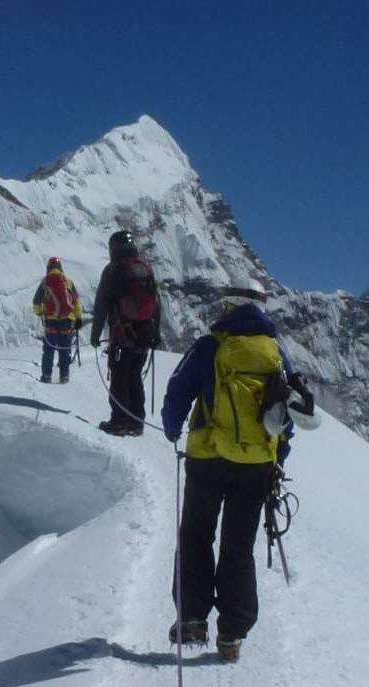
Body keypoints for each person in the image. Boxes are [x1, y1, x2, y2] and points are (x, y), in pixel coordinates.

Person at [159, 278, 295, 662]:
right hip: (255, 466)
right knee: (238, 546)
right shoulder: (276, 354)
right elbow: (289, 410)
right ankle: (232, 634)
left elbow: (177, 390)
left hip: (206, 458)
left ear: (229, 306)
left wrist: (172, 429)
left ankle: (192, 619)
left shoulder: (209, 347)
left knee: (196, 535)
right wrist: (276, 458)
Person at [89, 230, 162, 435]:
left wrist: (95, 334)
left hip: (122, 334)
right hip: (144, 335)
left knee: (119, 376)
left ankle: (119, 421)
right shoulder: (145, 269)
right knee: (135, 376)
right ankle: (136, 422)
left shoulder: (113, 270)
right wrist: (155, 332)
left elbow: (101, 305)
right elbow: (157, 303)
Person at [31, 257, 83, 383]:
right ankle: (64, 376)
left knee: (49, 349)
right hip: (66, 321)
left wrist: (39, 312)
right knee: (64, 349)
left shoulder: (45, 282)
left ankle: (46, 376)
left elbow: (36, 301)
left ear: (48, 268)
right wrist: (78, 318)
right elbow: (76, 302)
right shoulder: (68, 281)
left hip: (50, 321)